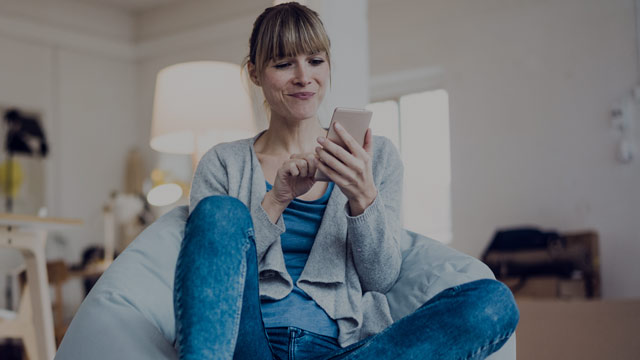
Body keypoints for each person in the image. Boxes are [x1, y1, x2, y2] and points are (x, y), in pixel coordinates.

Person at [174, 3, 519, 360]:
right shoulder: (223, 162)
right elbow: (212, 279)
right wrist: (275, 200)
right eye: (283, 63)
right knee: (218, 211)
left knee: (493, 302)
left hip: (343, 350)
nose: (303, 77)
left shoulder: (377, 157)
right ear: (255, 73)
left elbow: (381, 280)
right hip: (249, 345)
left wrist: (362, 196)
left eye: (315, 60)